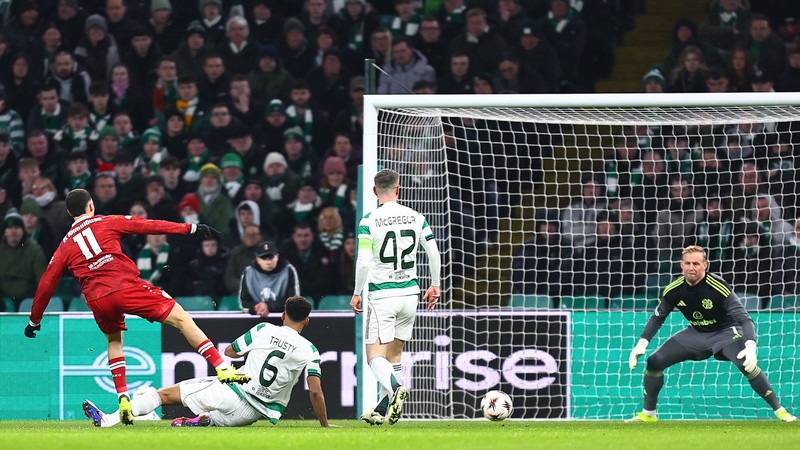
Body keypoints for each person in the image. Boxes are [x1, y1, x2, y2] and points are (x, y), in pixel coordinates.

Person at [24, 188, 251, 426]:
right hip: (126, 287)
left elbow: (47, 282)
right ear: (91, 206)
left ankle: (123, 398)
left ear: (70, 212)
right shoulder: (107, 221)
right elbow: (147, 225)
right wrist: (189, 228)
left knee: (114, 341)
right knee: (182, 319)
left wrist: (34, 320)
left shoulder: (64, 245)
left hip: (97, 300)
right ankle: (222, 368)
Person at [83, 296, 338, 428]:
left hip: (235, 391)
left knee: (163, 395)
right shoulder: (310, 350)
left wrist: (253, 352)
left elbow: (230, 352)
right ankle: (203, 420)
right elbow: (315, 391)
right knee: (216, 418)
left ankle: (110, 420)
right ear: (307, 321)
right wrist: (324, 425)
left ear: (282, 315)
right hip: (254, 414)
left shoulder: (263, 330)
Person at [627, 245, 797, 423]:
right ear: (681, 265)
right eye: (688, 263)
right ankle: (649, 414)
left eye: (696, 264)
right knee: (654, 361)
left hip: (726, 333)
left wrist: (750, 345)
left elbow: (745, 319)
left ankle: (780, 410)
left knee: (746, 364)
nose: (692, 268)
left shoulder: (718, 286)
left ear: (705, 265)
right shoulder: (673, 289)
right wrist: (642, 343)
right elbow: (657, 318)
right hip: (697, 333)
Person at [350, 169, 441, 426]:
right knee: (394, 355)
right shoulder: (416, 217)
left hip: (382, 296)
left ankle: (396, 388)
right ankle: (381, 410)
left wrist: (357, 292)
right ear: (398, 190)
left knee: (374, 357)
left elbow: (363, 261)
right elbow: (433, 252)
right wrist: (435, 285)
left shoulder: (369, 221)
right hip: (410, 294)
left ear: (375, 191)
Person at [238, 241, 300, 317]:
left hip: (283, 319)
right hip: (255, 319)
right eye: (264, 258)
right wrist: (257, 307)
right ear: (258, 260)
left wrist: (269, 306)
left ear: (277, 257)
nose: (268, 262)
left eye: (271, 257)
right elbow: (244, 303)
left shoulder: (289, 270)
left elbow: (293, 302)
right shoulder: (248, 272)